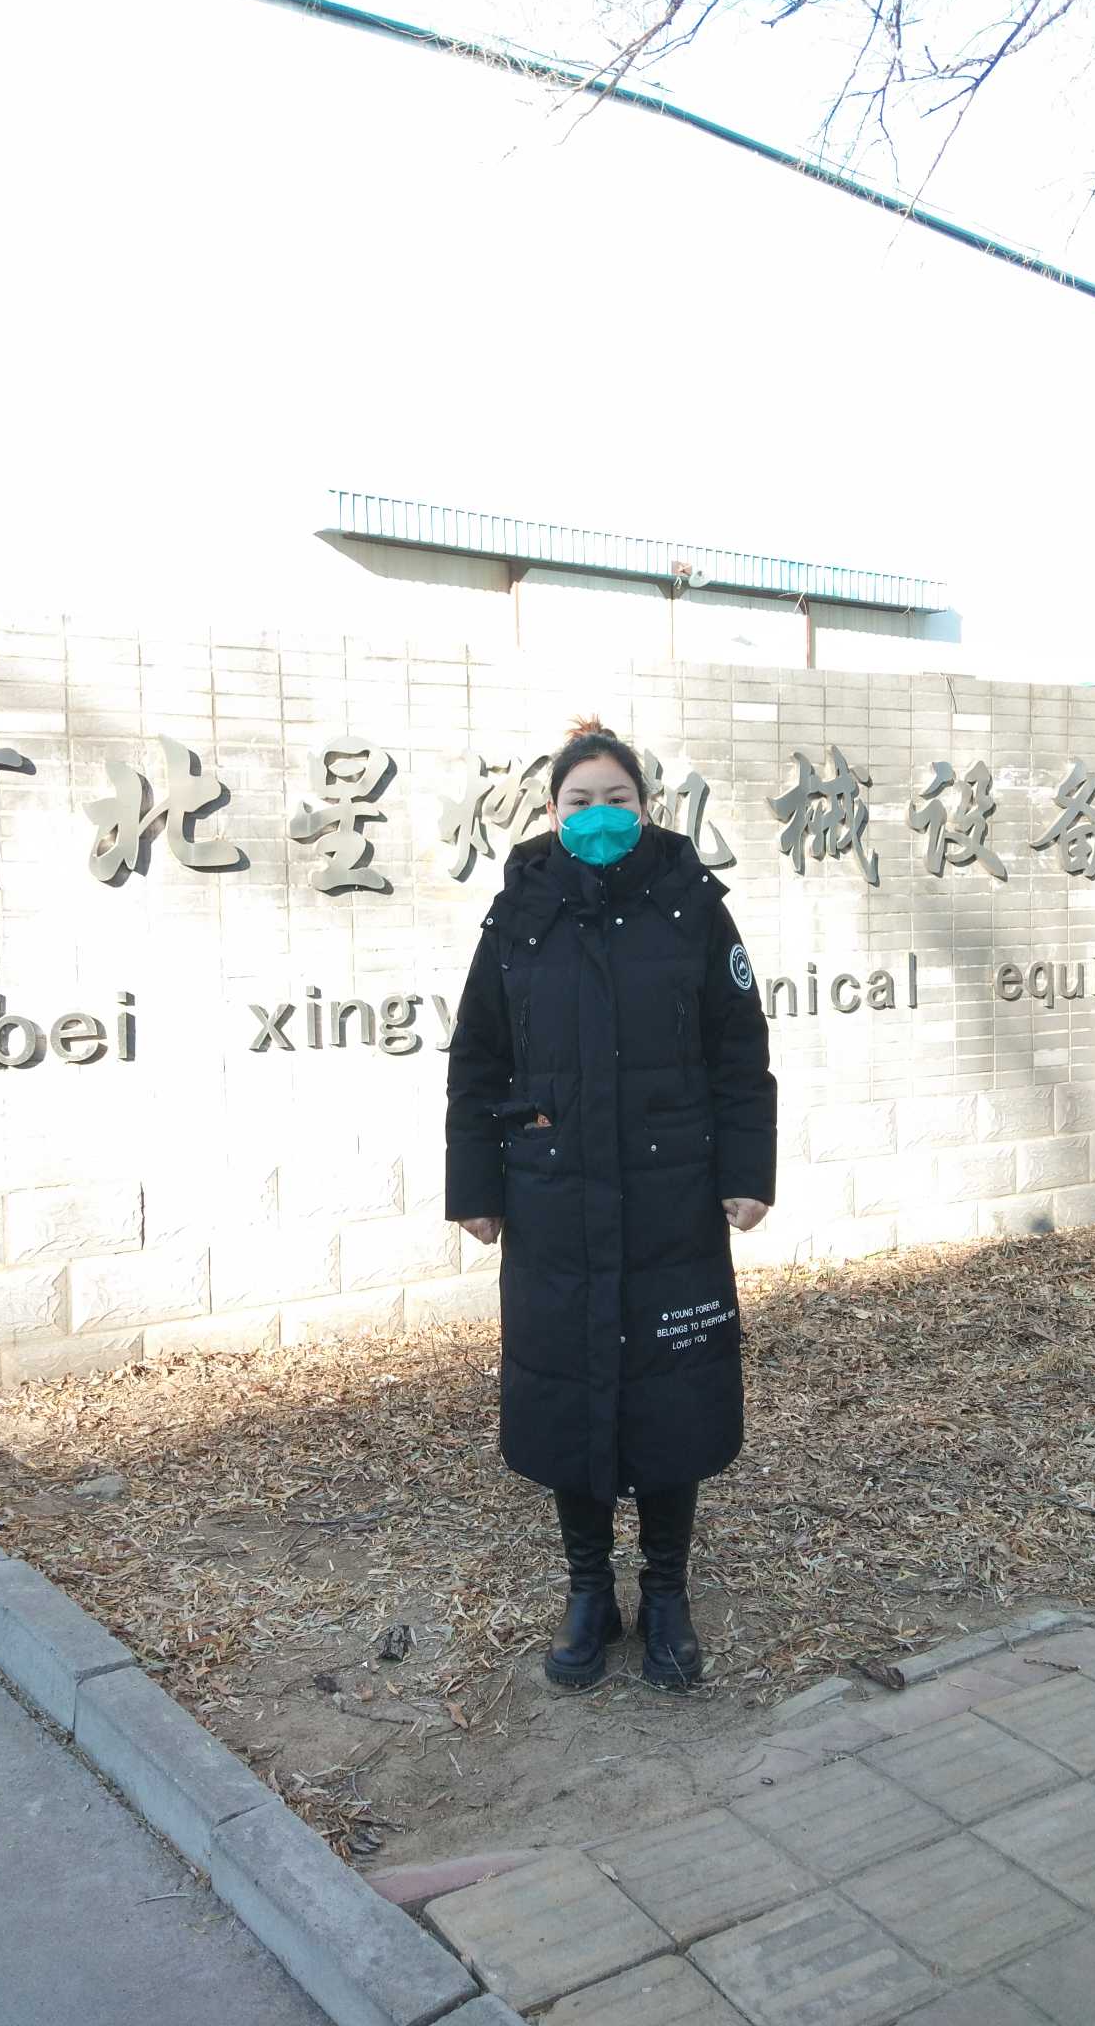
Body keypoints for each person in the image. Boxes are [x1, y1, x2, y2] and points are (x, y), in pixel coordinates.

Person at [444, 717, 777, 1692]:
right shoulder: (519, 915)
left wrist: (747, 1170)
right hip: (553, 1200)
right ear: (552, 813)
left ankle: (666, 1591)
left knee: (672, 1392)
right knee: (568, 1389)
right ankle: (588, 1589)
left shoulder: (692, 906)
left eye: (617, 799)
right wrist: (475, 1186)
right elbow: (478, 1057)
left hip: (672, 1197)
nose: (599, 814)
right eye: (579, 801)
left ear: (646, 807)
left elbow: (738, 1050)